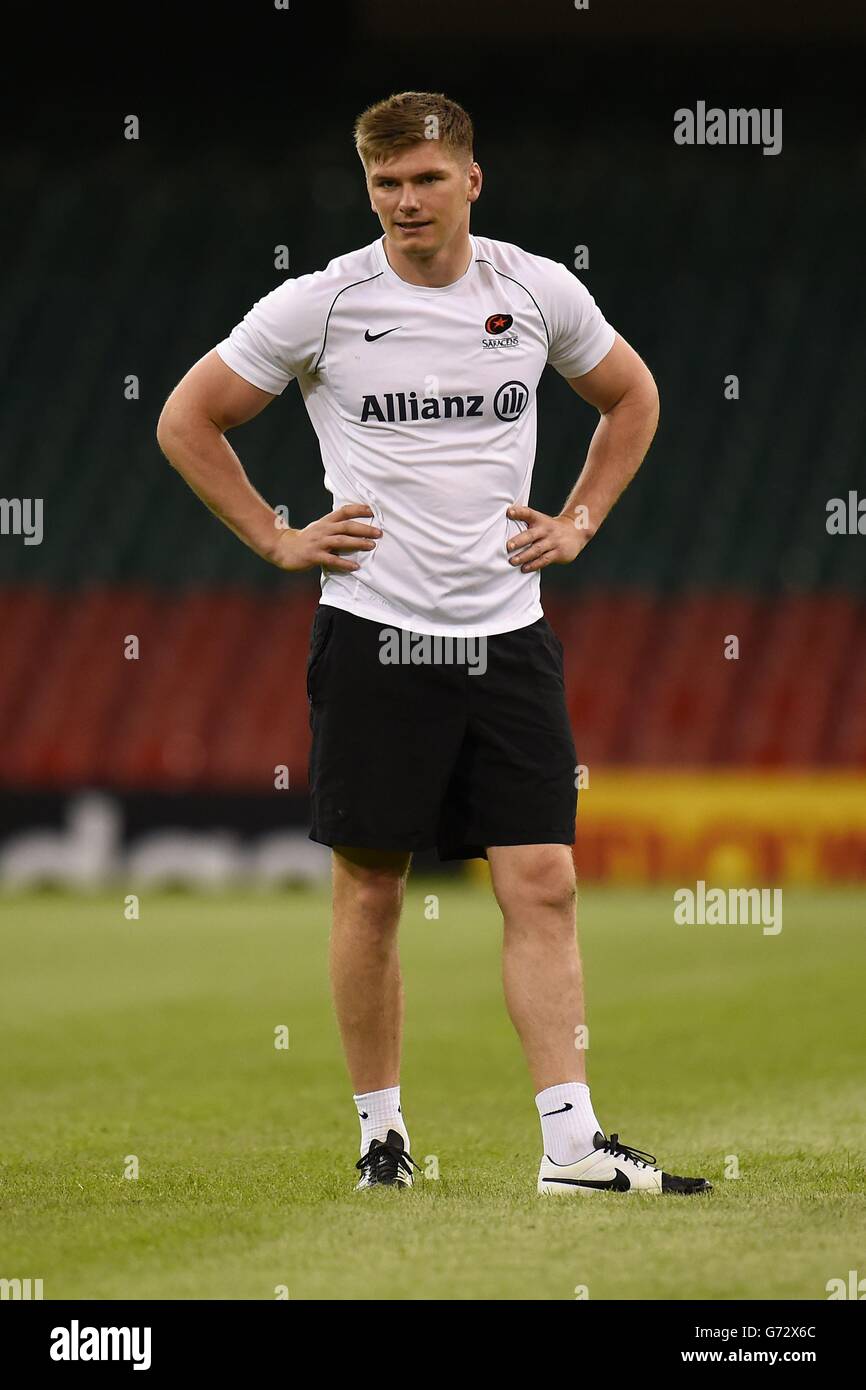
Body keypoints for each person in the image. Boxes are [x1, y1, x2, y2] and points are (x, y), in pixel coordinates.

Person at [157, 90, 711, 1198]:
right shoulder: (321, 304)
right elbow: (187, 418)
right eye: (383, 184)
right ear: (367, 190)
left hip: (508, 633)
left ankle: (569, 1147)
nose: (404, 202)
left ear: (470, 179)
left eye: (423, 179)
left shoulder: (533, 289)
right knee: (371, 887)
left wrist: (579, 520)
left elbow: (631, 395)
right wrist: (275, 535)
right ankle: (380, 1137)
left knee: (544, 879)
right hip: (374, 630)